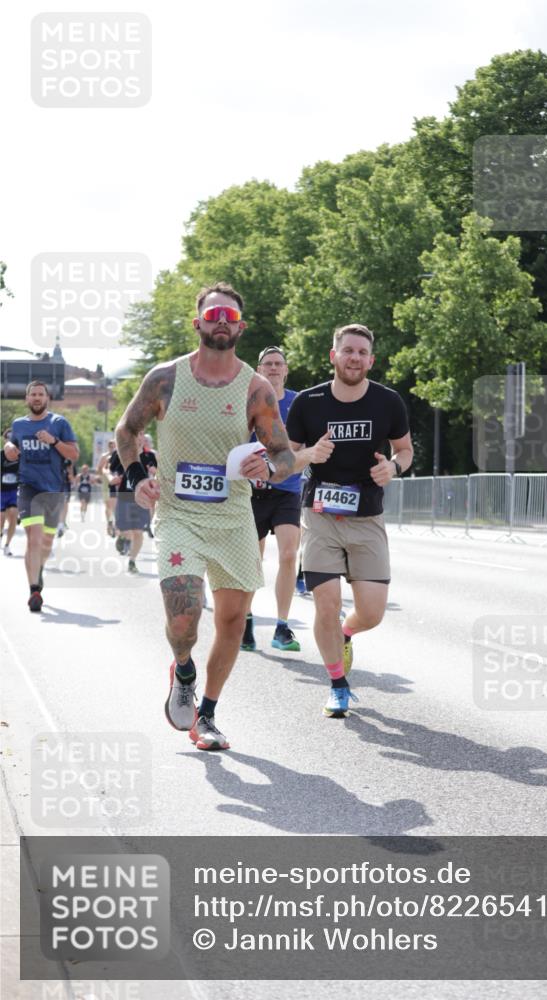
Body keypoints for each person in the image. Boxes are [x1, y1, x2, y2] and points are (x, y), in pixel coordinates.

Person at [115, 282, 330, 751]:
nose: (220, 323)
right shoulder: (165, 379)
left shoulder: (255, 388)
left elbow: (284, 456)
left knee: (233, 621)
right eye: (213, 315)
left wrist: (268, 466)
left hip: (234, 516)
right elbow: (127, 430)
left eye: (229, 317)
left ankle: (207, 716)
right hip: (178, 514)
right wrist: (137, 477)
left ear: (241, 327)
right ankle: (184, 671)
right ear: (197, 323)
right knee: (182, 616)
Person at [286, 323, 413, 718]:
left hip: (366, 515)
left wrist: (393, 468)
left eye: (362, 353)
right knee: (325, 604)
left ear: (370, 360)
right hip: (320, 514)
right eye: (348, 351)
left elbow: (405, 450)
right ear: (333, 355)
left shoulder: (388, 402)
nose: (354, 358)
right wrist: (310, 455)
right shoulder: (309, 402)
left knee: (372, 612)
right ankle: (337, 684)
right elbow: (287, 458)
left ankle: (346, 634)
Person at [241, 346, 304, 653]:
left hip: (288, 489)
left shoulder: (298, 402)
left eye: (279, 363)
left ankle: (282, 626)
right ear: (259, 369)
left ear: (286, 369)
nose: (274, 368)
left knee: (290, 554)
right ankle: (247, 619)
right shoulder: (248, 401)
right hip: (253, 491)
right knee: (253, 559)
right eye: (268, 364)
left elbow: (307, 444)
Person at [3, 381, 79, 611]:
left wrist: (54, 441)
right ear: (27, 399)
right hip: (28, 488)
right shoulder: (18, 425)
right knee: (33, 539)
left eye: (40, 394)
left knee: (47, 542)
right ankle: (34, 590)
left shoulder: (59, 423)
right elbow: (12, 449)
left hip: (53, 490)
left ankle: (40, 568)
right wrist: (8, 447)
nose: (36, 398)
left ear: (47, 399)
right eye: (32, 394)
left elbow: (74, 454)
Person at [109, 434, 157, 573]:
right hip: (124, 497)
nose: (140, 438)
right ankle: (121, 536)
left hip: (141, 500)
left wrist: (155, 474)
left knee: (138, 532)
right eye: (136, 435)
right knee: (125, 530)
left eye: (142, 435)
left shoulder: (150, 456)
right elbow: (109, 469)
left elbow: (157, 474)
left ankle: (132, 561)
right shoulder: (122, 454)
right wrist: (112, 477)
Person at [1, 429, 20, 556]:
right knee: (1, 519)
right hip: (1, 492)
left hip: (13, 491)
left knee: (13, 515)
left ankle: (7, 545)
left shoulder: (21, 457)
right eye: (8, 439)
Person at [97, 439, 118, 537]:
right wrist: (105, 468)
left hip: (116, 482)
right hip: (106, 482)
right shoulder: (104, 456)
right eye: (110, 445)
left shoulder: (119, 455)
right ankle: (109, 522)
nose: (112, 446)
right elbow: (99, 469)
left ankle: (114, 522)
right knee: (108, 505)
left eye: (113, 445)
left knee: (115, 505)